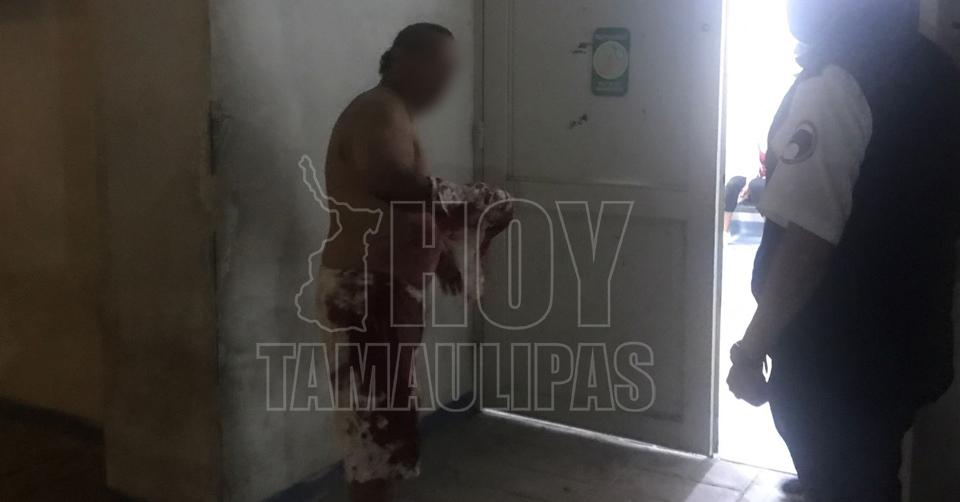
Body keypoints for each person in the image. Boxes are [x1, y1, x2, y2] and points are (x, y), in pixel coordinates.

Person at [726, 1, 960, 501]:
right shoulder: (936, 70)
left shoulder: (837, 82)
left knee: (845, 477)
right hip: (909, 341)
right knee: (868, 473)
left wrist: (750, 350)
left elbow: (807, 243)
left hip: (834, 360)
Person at [320, 23, 512, 502]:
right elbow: (388, 182)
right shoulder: (376, 111)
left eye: (451, 72)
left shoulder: (396, 114)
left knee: (389, 424)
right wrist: (470, 199)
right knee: (374, 433)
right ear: (405, 61)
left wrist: (442, 255)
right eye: (439, 69)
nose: (445, 83)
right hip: (363, 292)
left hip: (386, 291)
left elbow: (407, 205)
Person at [723, 150, 768, 236]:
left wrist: (750, 186)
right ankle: (724, 231)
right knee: (732, 185)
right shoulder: (757, 145)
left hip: (770, 181)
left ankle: (768, 232)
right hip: (755, 177)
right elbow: (753, 166)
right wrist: (747, 185)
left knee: (756, 186)